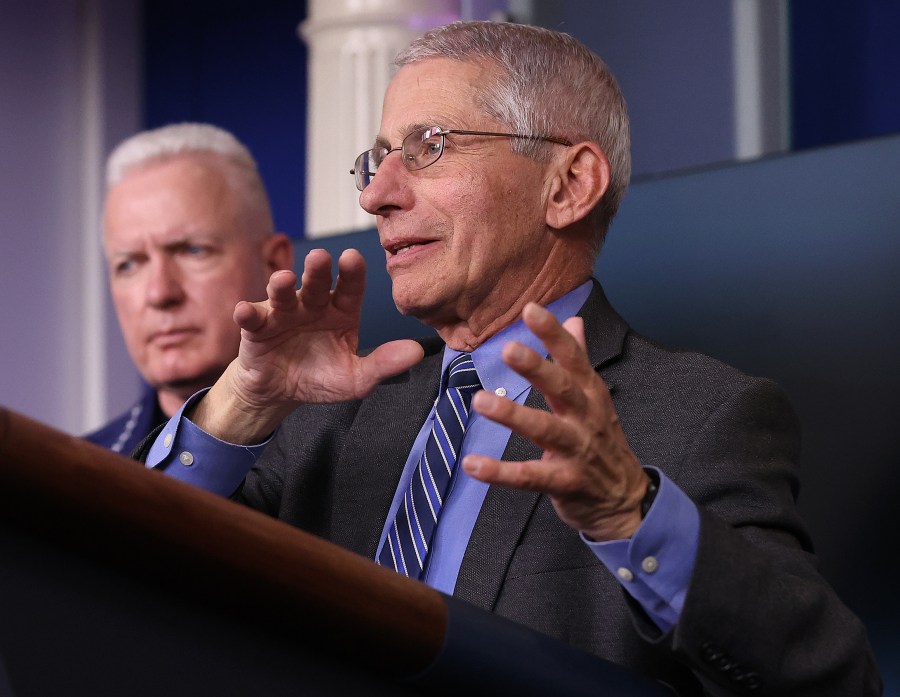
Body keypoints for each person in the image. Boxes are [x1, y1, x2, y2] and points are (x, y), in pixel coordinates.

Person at [138, 22, 881, 696]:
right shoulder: (326, 410)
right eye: (376, 160)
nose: (378, 197)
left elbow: (829, 681)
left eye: (428, 146)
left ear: (569, 184)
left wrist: (630, 514)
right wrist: (247, 397)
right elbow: (130, 576)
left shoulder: (699, 413)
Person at [84, 123, 293, 453]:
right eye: (129, 264)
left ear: (274, 265)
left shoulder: (363, 446)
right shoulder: (69, 478)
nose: (159, 294)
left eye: (192, 250)